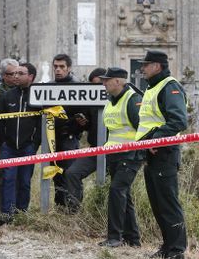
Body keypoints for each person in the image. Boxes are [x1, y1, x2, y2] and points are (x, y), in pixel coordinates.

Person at [136, 50, 188, 259]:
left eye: (145, 65)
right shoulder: (153, 87)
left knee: (168, 203)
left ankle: (177, 251)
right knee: (158, 204)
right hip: (152, 152)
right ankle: (168, 247)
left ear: (157, 66)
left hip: (164, 152)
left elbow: (178, 121)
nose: (142, 68)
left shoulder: (169, 86)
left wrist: (155, 139)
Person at [96, 67, 143, 248]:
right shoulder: (110, 100)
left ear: (118, 81)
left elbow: (142, 128)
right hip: (114, 155)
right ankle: (133, 239)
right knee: (124, 195)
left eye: (107, 80)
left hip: (130, 155)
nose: (104, 83)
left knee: (117, 191)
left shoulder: (133, 99)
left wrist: (141, 154)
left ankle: (114, 237)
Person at [0, 63, 41, 225]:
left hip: (27, 146)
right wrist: (3, 142)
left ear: (31, 77)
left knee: (24, 181)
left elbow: (42, 122)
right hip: (8, 147)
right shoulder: (8, 96)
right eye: (14, 73)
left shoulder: (38, 96)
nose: (16, 76)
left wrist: (34, 144)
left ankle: (22, 213)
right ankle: (7, 214)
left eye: (20, 73)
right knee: (8, 179)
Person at [64, 67, 106, 212]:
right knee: (72, 173)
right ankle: (74, 211)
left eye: (101, 84)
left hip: (115, 151)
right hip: (95, 149)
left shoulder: (116, 100)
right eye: (94, 85)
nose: (98, 88)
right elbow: (88, 126)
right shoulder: (90, 101)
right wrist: (82, 123)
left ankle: (104, 212)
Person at [50, 54, 89, 207]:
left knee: (70, 173)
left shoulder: (78, 87)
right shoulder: (48, 87)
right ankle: (60, 206)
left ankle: (73, 207)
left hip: (70, 137)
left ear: (69, 68)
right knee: (55, 173)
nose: (58, 70)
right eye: (55, 67)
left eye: (62, 67)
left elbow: (85, 116)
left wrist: (78, 123)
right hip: (53, 137)